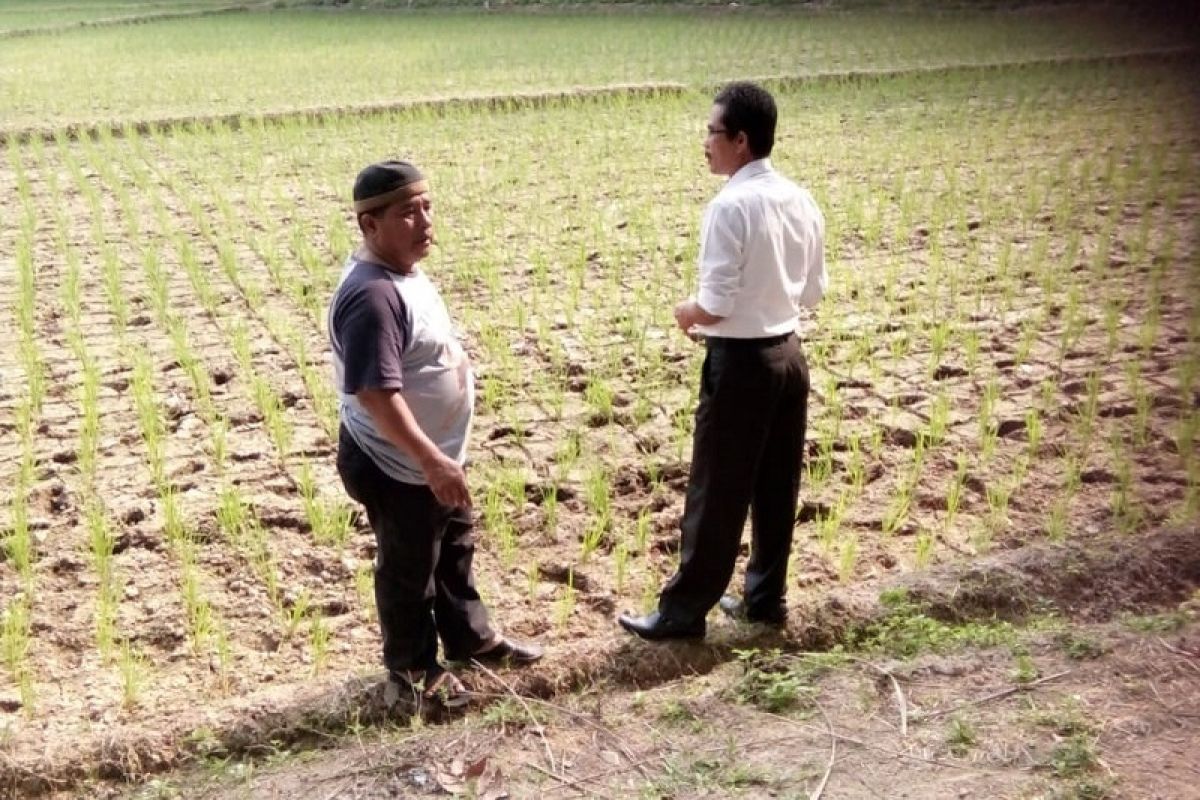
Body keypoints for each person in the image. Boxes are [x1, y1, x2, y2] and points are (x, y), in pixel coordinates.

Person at [330, 160, 542, 706]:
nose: (424, 221)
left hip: (433, 455)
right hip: (398, 461)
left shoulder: (405, 273)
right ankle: (412, 673)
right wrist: (430, 460)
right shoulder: (372, 297)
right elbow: (376, 395)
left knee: (453, 548)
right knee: (409, 569)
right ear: (369, 226)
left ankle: (471, 640)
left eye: (427, 207)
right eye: (408, 212)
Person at [618, 82, 826, 641]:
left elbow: (715, 302)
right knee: (776, 484)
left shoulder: (730, 206)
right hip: (789, 357)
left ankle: (683, 614)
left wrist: (687, 313)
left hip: (741, 365)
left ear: (739, 139)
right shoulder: (800, 198)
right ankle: (764, 599)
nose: (704, 143)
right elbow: (812, 294)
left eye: (711, 132)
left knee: (716, 490)